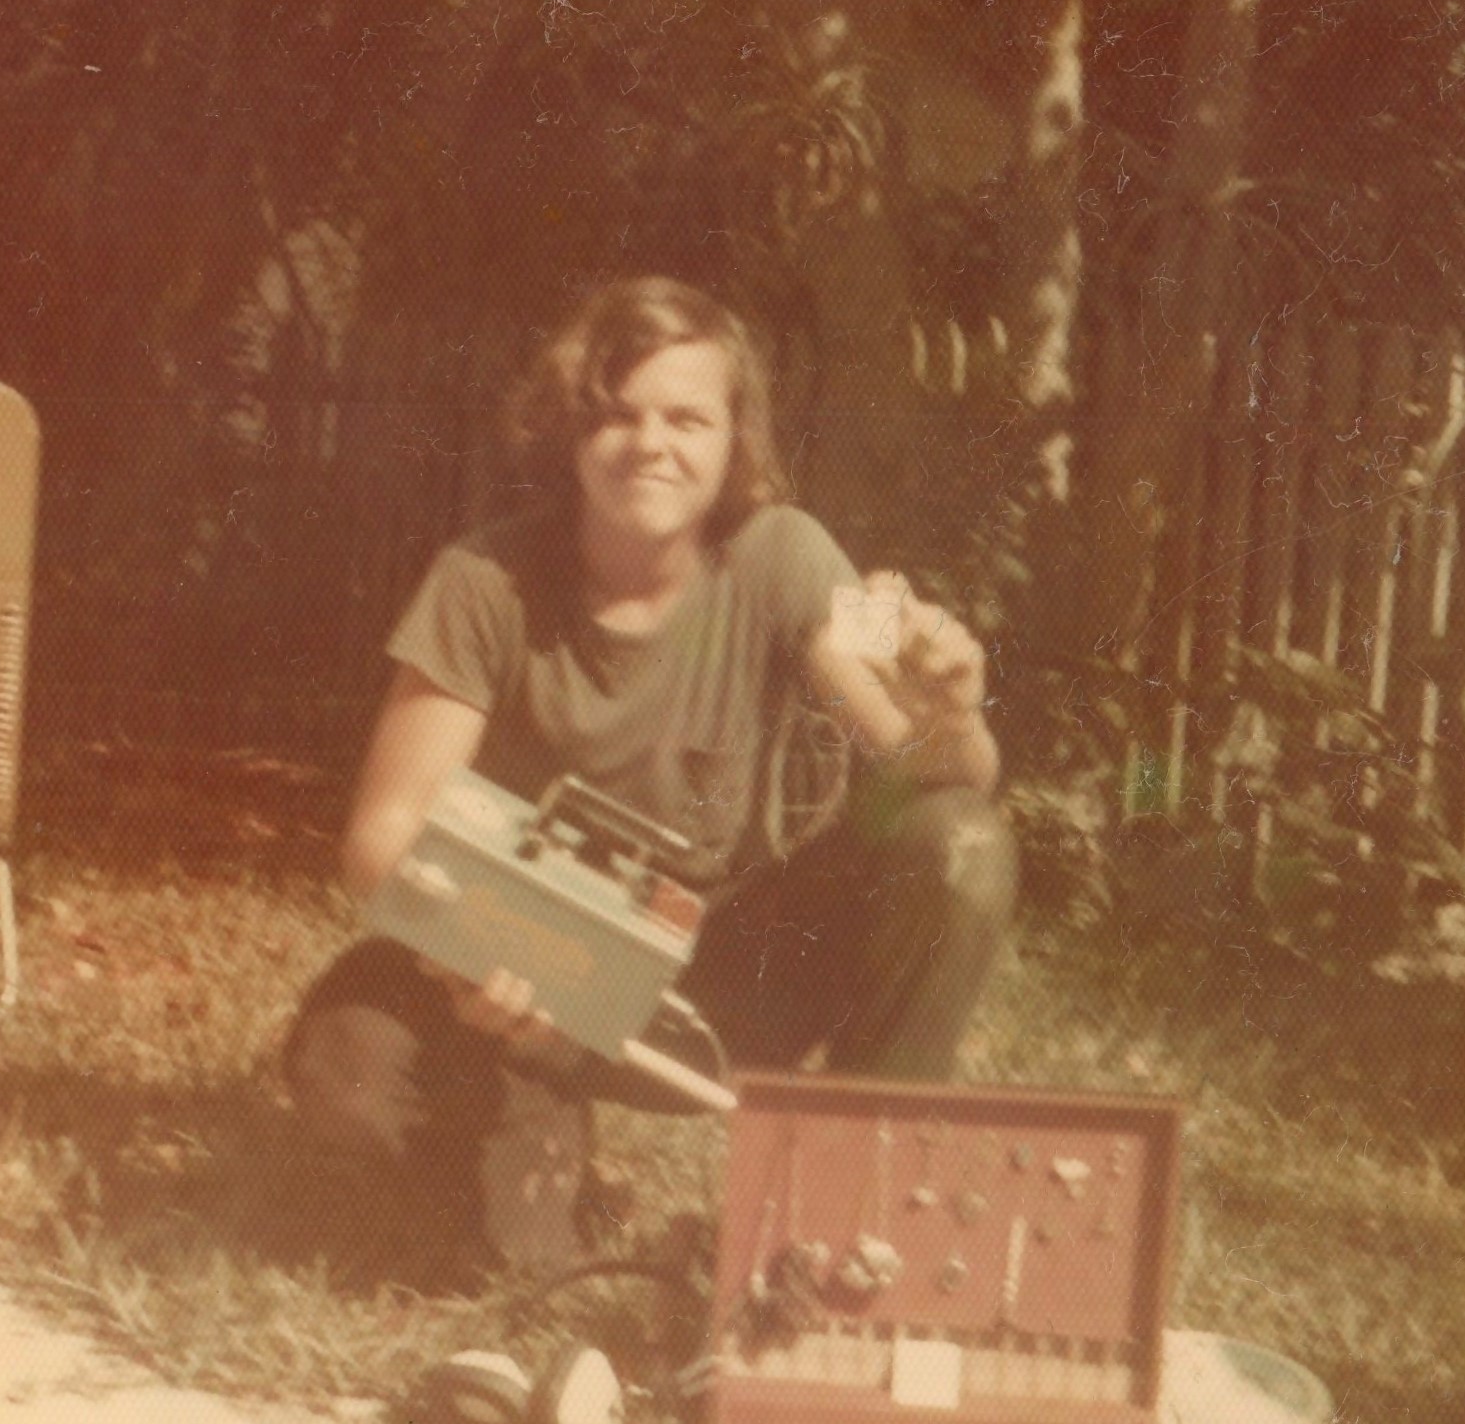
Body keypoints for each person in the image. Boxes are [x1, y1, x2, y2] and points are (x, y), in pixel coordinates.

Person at [285, 276, 1016, 1274]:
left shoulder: (791, 555)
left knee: (960, 848)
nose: (651, 443)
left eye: (687, 416)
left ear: (735, 439)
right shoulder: (480, 578)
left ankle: (852, 1225)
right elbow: (383, 833)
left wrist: (954, 706)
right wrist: (475, 949)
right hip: (525, 955)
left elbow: (945, 780)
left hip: (707, 982)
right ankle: (529, 1140)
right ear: (568, 429)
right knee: (345, 1072)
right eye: (618, 413)